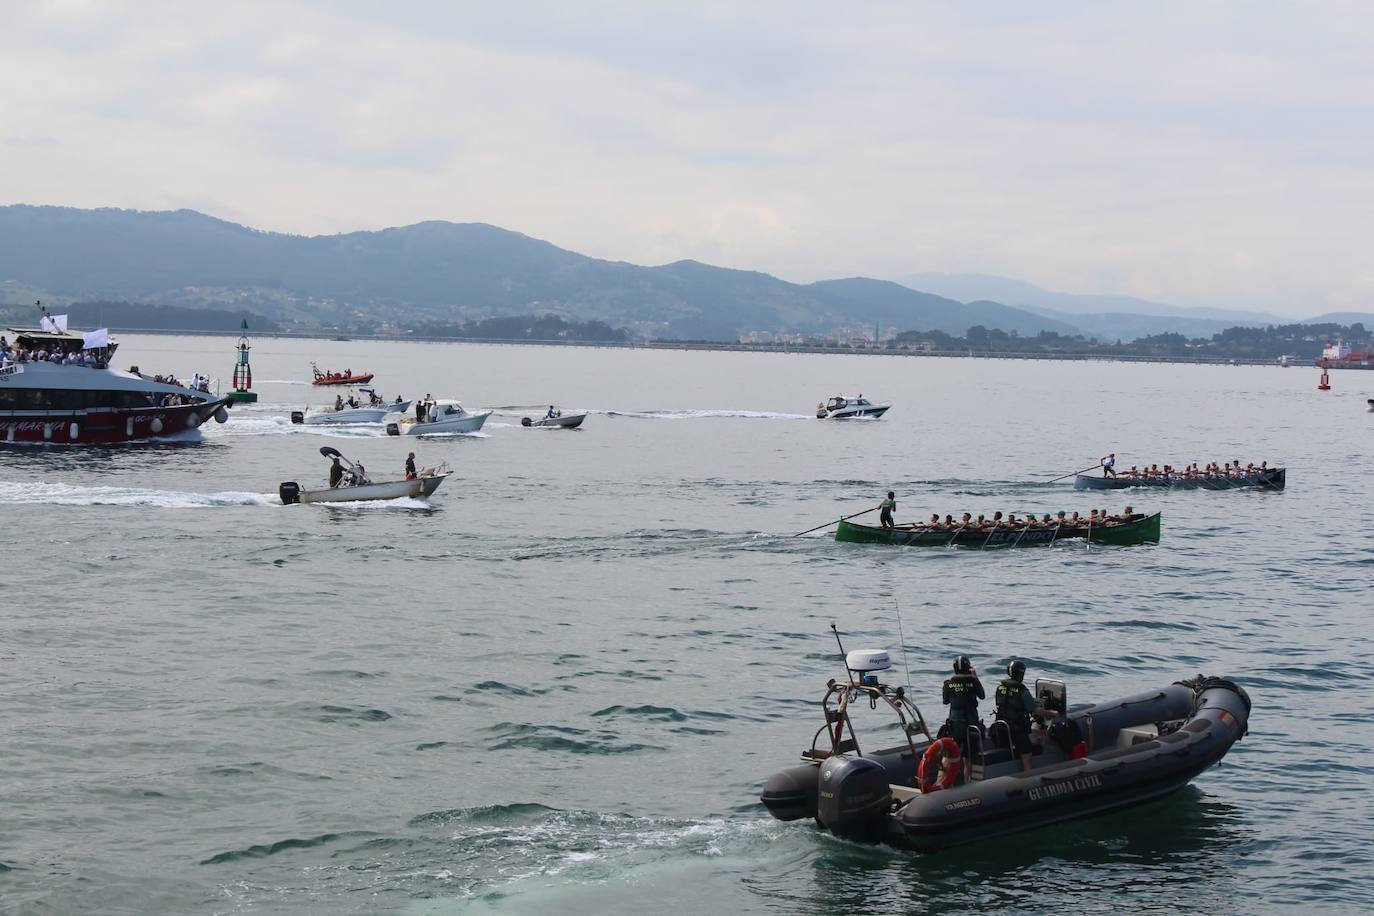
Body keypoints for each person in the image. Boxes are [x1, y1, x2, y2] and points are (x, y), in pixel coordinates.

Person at [995, 660, 1058, 772]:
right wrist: (1052, 713)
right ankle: (1029, 775)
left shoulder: (1000, 687)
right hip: (1017, 730)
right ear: (1021, 674)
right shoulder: (1022, 691)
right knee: (1027, 755)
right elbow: (1036, 711)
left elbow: (1009, 702)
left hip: (1001, 729)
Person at [943, 656, 985, 784]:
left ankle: (945, 783)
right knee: (969, 757)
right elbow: (982, 696)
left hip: (955, 725)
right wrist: (975, 677)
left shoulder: (948, 684)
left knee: (949, 754)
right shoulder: (973, 682)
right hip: (971, 724)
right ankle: (967, 783)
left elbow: (945, 701)